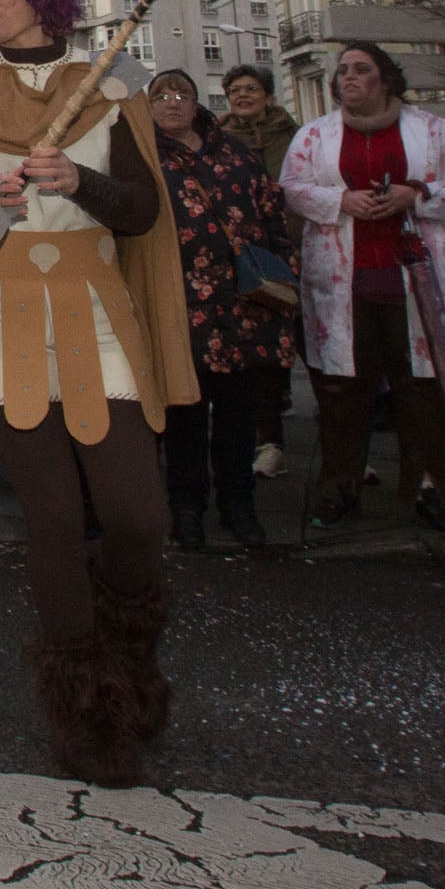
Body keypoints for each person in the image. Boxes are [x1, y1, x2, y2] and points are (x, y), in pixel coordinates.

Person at [0, 0, 194, 788]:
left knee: (139, 519)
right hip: (2, 319)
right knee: (55, 525)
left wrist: (84, 183)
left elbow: (144, 211)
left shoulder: (115, 85)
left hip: (98, 310)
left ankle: (132, 667)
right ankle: (85, 708)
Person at [282, 42, 445, 536]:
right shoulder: (314, 135)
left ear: (387, 79)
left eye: (361, 70)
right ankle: (340, 488)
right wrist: (341, 200)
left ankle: (430, 489)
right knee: (342, 391)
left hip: (417, 281)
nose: (348, 78)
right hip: (345, 282)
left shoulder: (435, 131)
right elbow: (291, 187)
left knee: (421, 389)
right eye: (343, 71)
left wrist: (416, 195)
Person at [144, 72, 297, 552]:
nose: (172, 103)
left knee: (237, 418)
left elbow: (272, 213)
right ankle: (187, 509)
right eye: (161, 96)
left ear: (196, 104)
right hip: (179, 309)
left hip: (241, 310)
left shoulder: (235, 154)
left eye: (181, 95)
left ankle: (239, 506)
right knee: (184, 419)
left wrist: (281, 274)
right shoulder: (143, 159)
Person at [215, 65, 299, 480]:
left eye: (251, 89)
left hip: (290, 248)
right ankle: (269, 442)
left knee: (309, 349)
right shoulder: (219, 140)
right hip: (245, 255)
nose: (242, 96)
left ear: (268, 95)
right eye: (234, 90)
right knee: (258, 353)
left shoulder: (294, 135)